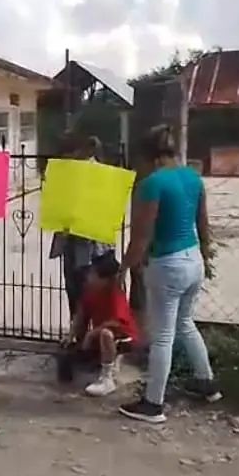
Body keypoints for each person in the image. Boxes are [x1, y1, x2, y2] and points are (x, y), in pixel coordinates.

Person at [117, 124, 220, 424]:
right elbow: (203, 223)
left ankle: (153, 404)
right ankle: (207, 383)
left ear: (149, 156)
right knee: (185, 323)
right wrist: (205, 255)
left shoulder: (152, 184)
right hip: (193, 260)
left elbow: (141, 237)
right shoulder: (192, 177)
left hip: (168, 264)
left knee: (162, 336)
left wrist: (124, 268)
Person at [48, 133, 113, 315]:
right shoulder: (67, 172)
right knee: (75, 287)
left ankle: (88, 332)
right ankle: (78, 333)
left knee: (87, 288)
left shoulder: (100, 173)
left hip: (91, 241)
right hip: (72, 239)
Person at [58, 254, 140, 396]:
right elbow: (80, 316)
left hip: (123, 338)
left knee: (106, 333)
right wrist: (71, 337)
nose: (89, 277)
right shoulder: (90, 293)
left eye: (93, 274)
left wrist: (92, 334)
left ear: (106, 280)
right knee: (71, 357)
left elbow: (117, 323)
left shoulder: (115, 294)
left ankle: (107, 378)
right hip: (100, 339)